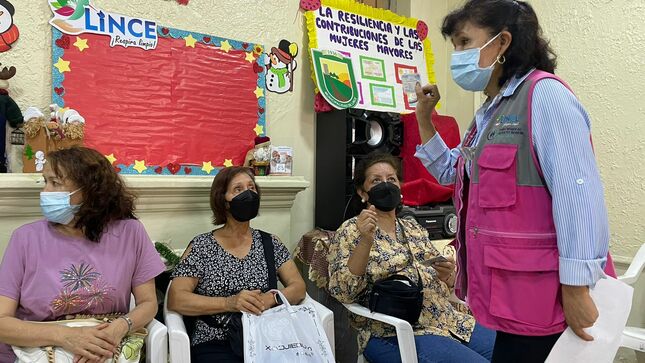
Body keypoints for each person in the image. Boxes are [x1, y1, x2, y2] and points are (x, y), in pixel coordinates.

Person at [413, 1, 616, 362]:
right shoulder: (490, 112)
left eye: (464, 42)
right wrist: (425, 120)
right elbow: (456, 173)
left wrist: (576, 287)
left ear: (502, 42)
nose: (456, 55)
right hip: (512, 301)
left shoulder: (546, 96)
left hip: (548, 301)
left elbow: (578, 195)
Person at [0, 146, 165, 363]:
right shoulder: (25, 238)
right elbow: (2, 322)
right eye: (45, 182)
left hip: (106, 345)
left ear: (89, 190)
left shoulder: (130, 233)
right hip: (37, 349)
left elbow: (148, 303)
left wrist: (115, 332)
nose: (45, 192)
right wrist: (67, 337)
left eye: (55, 183)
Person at [328, 152, 496, 363]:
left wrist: (448, 275)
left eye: (391, 179)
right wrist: (365, 240)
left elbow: (442, 279)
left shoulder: (412, 227)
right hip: (393, 331)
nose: (386, 184)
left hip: (447, 320)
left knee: (515, 354)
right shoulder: (351, 230)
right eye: (376, 181)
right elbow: (343, 292)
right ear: (363, 192)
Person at [167, 166, 306, 363]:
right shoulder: (202, 245)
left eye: (251, 188)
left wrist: (271, 299)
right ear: (223, 201)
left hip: (266, 338)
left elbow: (299, 288)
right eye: (238, 189)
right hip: (215, 341)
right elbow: (176, 299)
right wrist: (229, 303)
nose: (248, 194)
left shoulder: (270, 243)